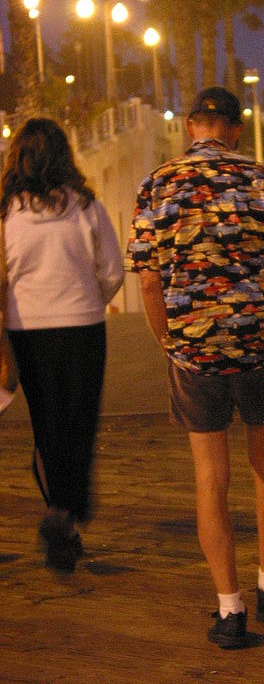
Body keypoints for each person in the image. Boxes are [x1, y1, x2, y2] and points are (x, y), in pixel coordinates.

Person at [125, 87, 264, 649]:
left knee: (211, 477)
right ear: (235, 127)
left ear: (189, 126)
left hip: (194, 347)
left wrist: (168, 340)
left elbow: (149, 280)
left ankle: (231, 609)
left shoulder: (157, 184)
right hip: (262, 343)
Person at [1, 118, 124, 572]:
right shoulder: (85, 206)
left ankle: (61, 515)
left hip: (26, 331)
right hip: (83, 327)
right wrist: (91, 300)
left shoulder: (5, 211)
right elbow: (111, 270)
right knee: (80, 423)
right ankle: (65, 514)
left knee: (47, 427)